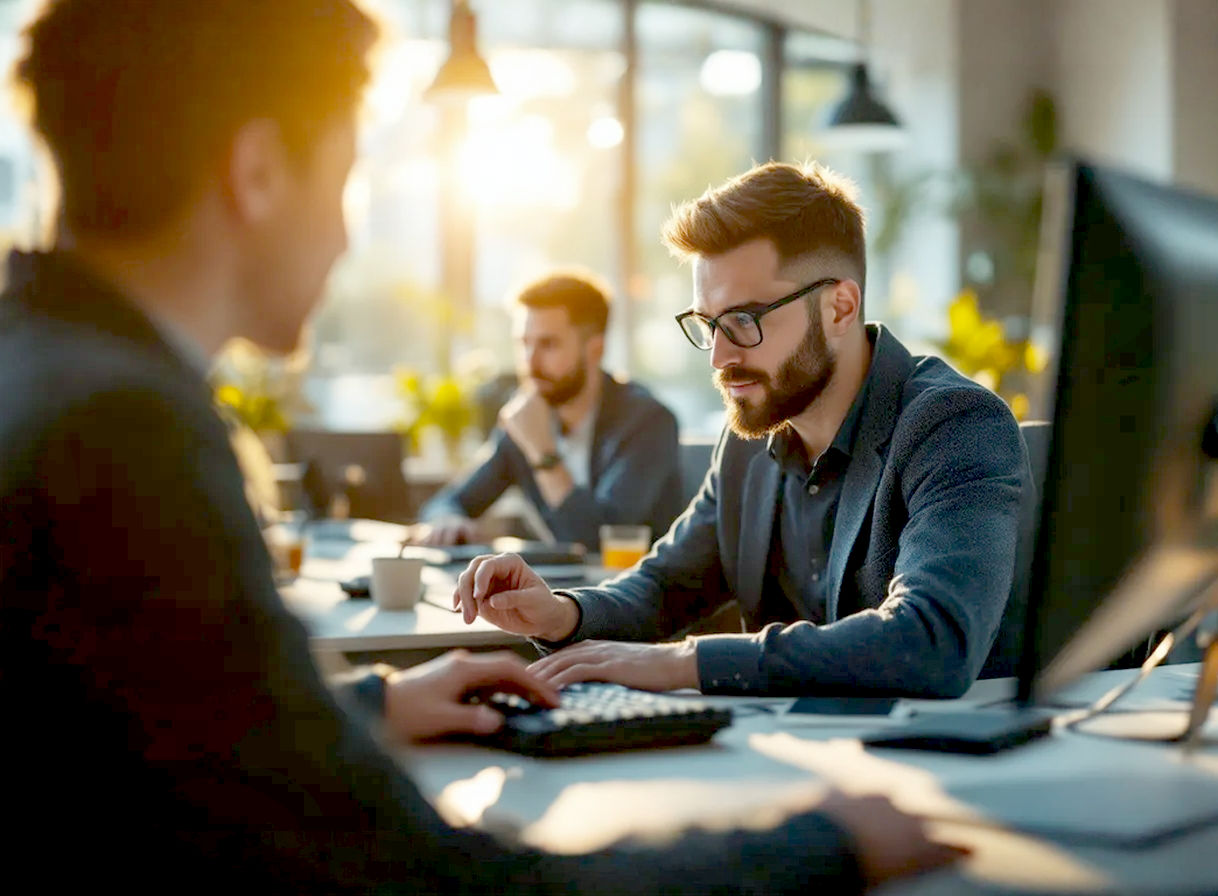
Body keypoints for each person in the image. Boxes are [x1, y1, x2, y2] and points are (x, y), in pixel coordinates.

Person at [0, 1, 958, 891]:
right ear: (255, 174)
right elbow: (436, 877)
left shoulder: (44, 377)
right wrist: (818, 843)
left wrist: (375, 708)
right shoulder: (122, 436)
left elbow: (163, 731)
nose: (345, 234)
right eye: (346, 181)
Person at [455, 161, 1029, 697]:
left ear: (839, 308)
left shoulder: (951, 425)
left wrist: (688, 663)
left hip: (947, 770)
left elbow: (931, 640)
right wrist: (563, 613)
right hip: (794, 761)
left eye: (744, 321)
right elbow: (664, 585)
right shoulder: (753, 439)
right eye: (709, 325)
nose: (719, 356)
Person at [414, 272, 682, 552]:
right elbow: (448, 502)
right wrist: (447, 521)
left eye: (548, 344)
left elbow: (598, 543)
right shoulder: (528, 418)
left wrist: (543, 453)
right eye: (524, 343)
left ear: (595, 349)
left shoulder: (648, 422)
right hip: (558, 589)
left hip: (633, 591)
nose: (530, 362)